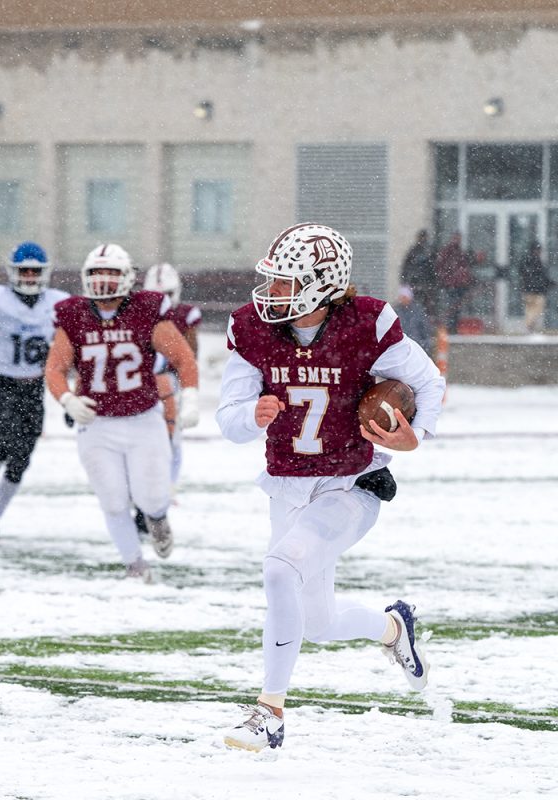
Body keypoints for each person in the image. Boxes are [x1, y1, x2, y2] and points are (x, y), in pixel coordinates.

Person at [216, 223, 445, 751]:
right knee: (316, 622)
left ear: (321, 285)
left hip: (351, 484)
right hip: (287, 485)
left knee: (279, 569)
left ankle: (269, 712)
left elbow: (429, 381)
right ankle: (394, 630)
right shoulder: (254, 329)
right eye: (270, 281)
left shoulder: (365, 325)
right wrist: (253, 414)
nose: (269, 293)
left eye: (283, 283)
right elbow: (228, 421)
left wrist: (416, 434)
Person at [44, 243, 200, 580]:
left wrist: (190, 395)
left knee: (152, 497)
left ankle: (157, 518)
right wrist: (68, 400)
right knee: (112, 500)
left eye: (112, 273)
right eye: (97, 273)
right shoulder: (74, 314)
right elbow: (55, 369)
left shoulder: (145, 309)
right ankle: (135, 566)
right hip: (97, 424)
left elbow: (183, 357)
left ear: (128, 277)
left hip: (144, 419)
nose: (103, 281)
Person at [0, 241, 68, 541]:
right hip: (0, 382)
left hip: (34, 386)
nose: (30, 276)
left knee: (22, 459)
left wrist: (72, 393)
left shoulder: (59, 304)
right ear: (13, 271)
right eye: (25, 271)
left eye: (35, 271)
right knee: (5, 443)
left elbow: (72, 349)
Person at [135, 262, 202, 532]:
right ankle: (144, 493)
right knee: (145, 438)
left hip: (170, 382)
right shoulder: (133, 312)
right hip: (141, 383)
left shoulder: (184, 315)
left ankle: (167, 488)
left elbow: (191, 354)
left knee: (172, 438)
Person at [434, 232, 473, 333]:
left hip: (458, 285)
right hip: (451, 285)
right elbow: (442, 267)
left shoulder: (459, 252)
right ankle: (450, 327)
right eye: (456, 238)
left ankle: (454, 326)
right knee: (451, 306)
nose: (457, 241)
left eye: (459, 238)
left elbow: (464, 266)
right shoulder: (448, 252)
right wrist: (448, 280)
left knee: (456, 307)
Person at [517, 240, 553, 333]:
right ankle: (529, 326)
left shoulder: (526, 260)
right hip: (537, 290)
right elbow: (542, 275)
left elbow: (522, 272)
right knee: (536, 308)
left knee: (530, 309)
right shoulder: (537, 262)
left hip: (528, 289)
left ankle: (529, 326)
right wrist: (547, 283)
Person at [400, 229, 437, 318]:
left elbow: (433, 268)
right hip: (417, 284)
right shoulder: (416, 251)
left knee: (423, 306)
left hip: (421, 284)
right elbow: (407, 267)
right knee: (418, 306)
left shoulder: (428, 251)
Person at [395, 284, 432, 354]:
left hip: (416, 345)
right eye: (401, 297)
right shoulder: (395, 311)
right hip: (400, 348)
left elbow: (425, 329)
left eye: (404, 297)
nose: (403, 299)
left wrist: (425, 345)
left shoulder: (418, 311)